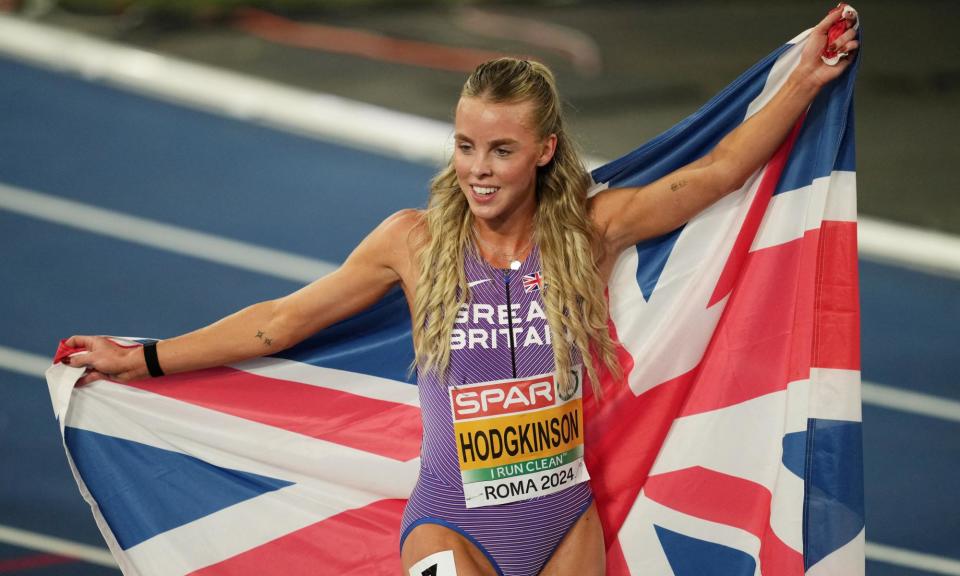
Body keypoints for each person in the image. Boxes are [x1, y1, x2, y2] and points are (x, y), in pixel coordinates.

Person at [63, 9, 858, 576]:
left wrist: (805, 79)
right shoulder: (413, 241)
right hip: (452, 523)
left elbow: (716, 174)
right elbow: (281, 324)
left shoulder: (589, 229)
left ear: (544, 150)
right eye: (466, 144)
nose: (477, 167)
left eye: (501, 149)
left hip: (564, 524)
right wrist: (147, 360)